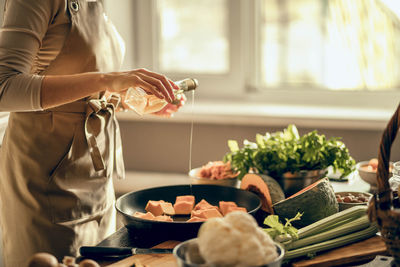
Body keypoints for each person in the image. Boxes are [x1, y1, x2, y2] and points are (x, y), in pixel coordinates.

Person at [0, 0, 184, 266]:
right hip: (44, 181)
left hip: (95, 178)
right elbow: (5, 87)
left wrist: (131, 100)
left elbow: (79, 96)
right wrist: (107, 79)